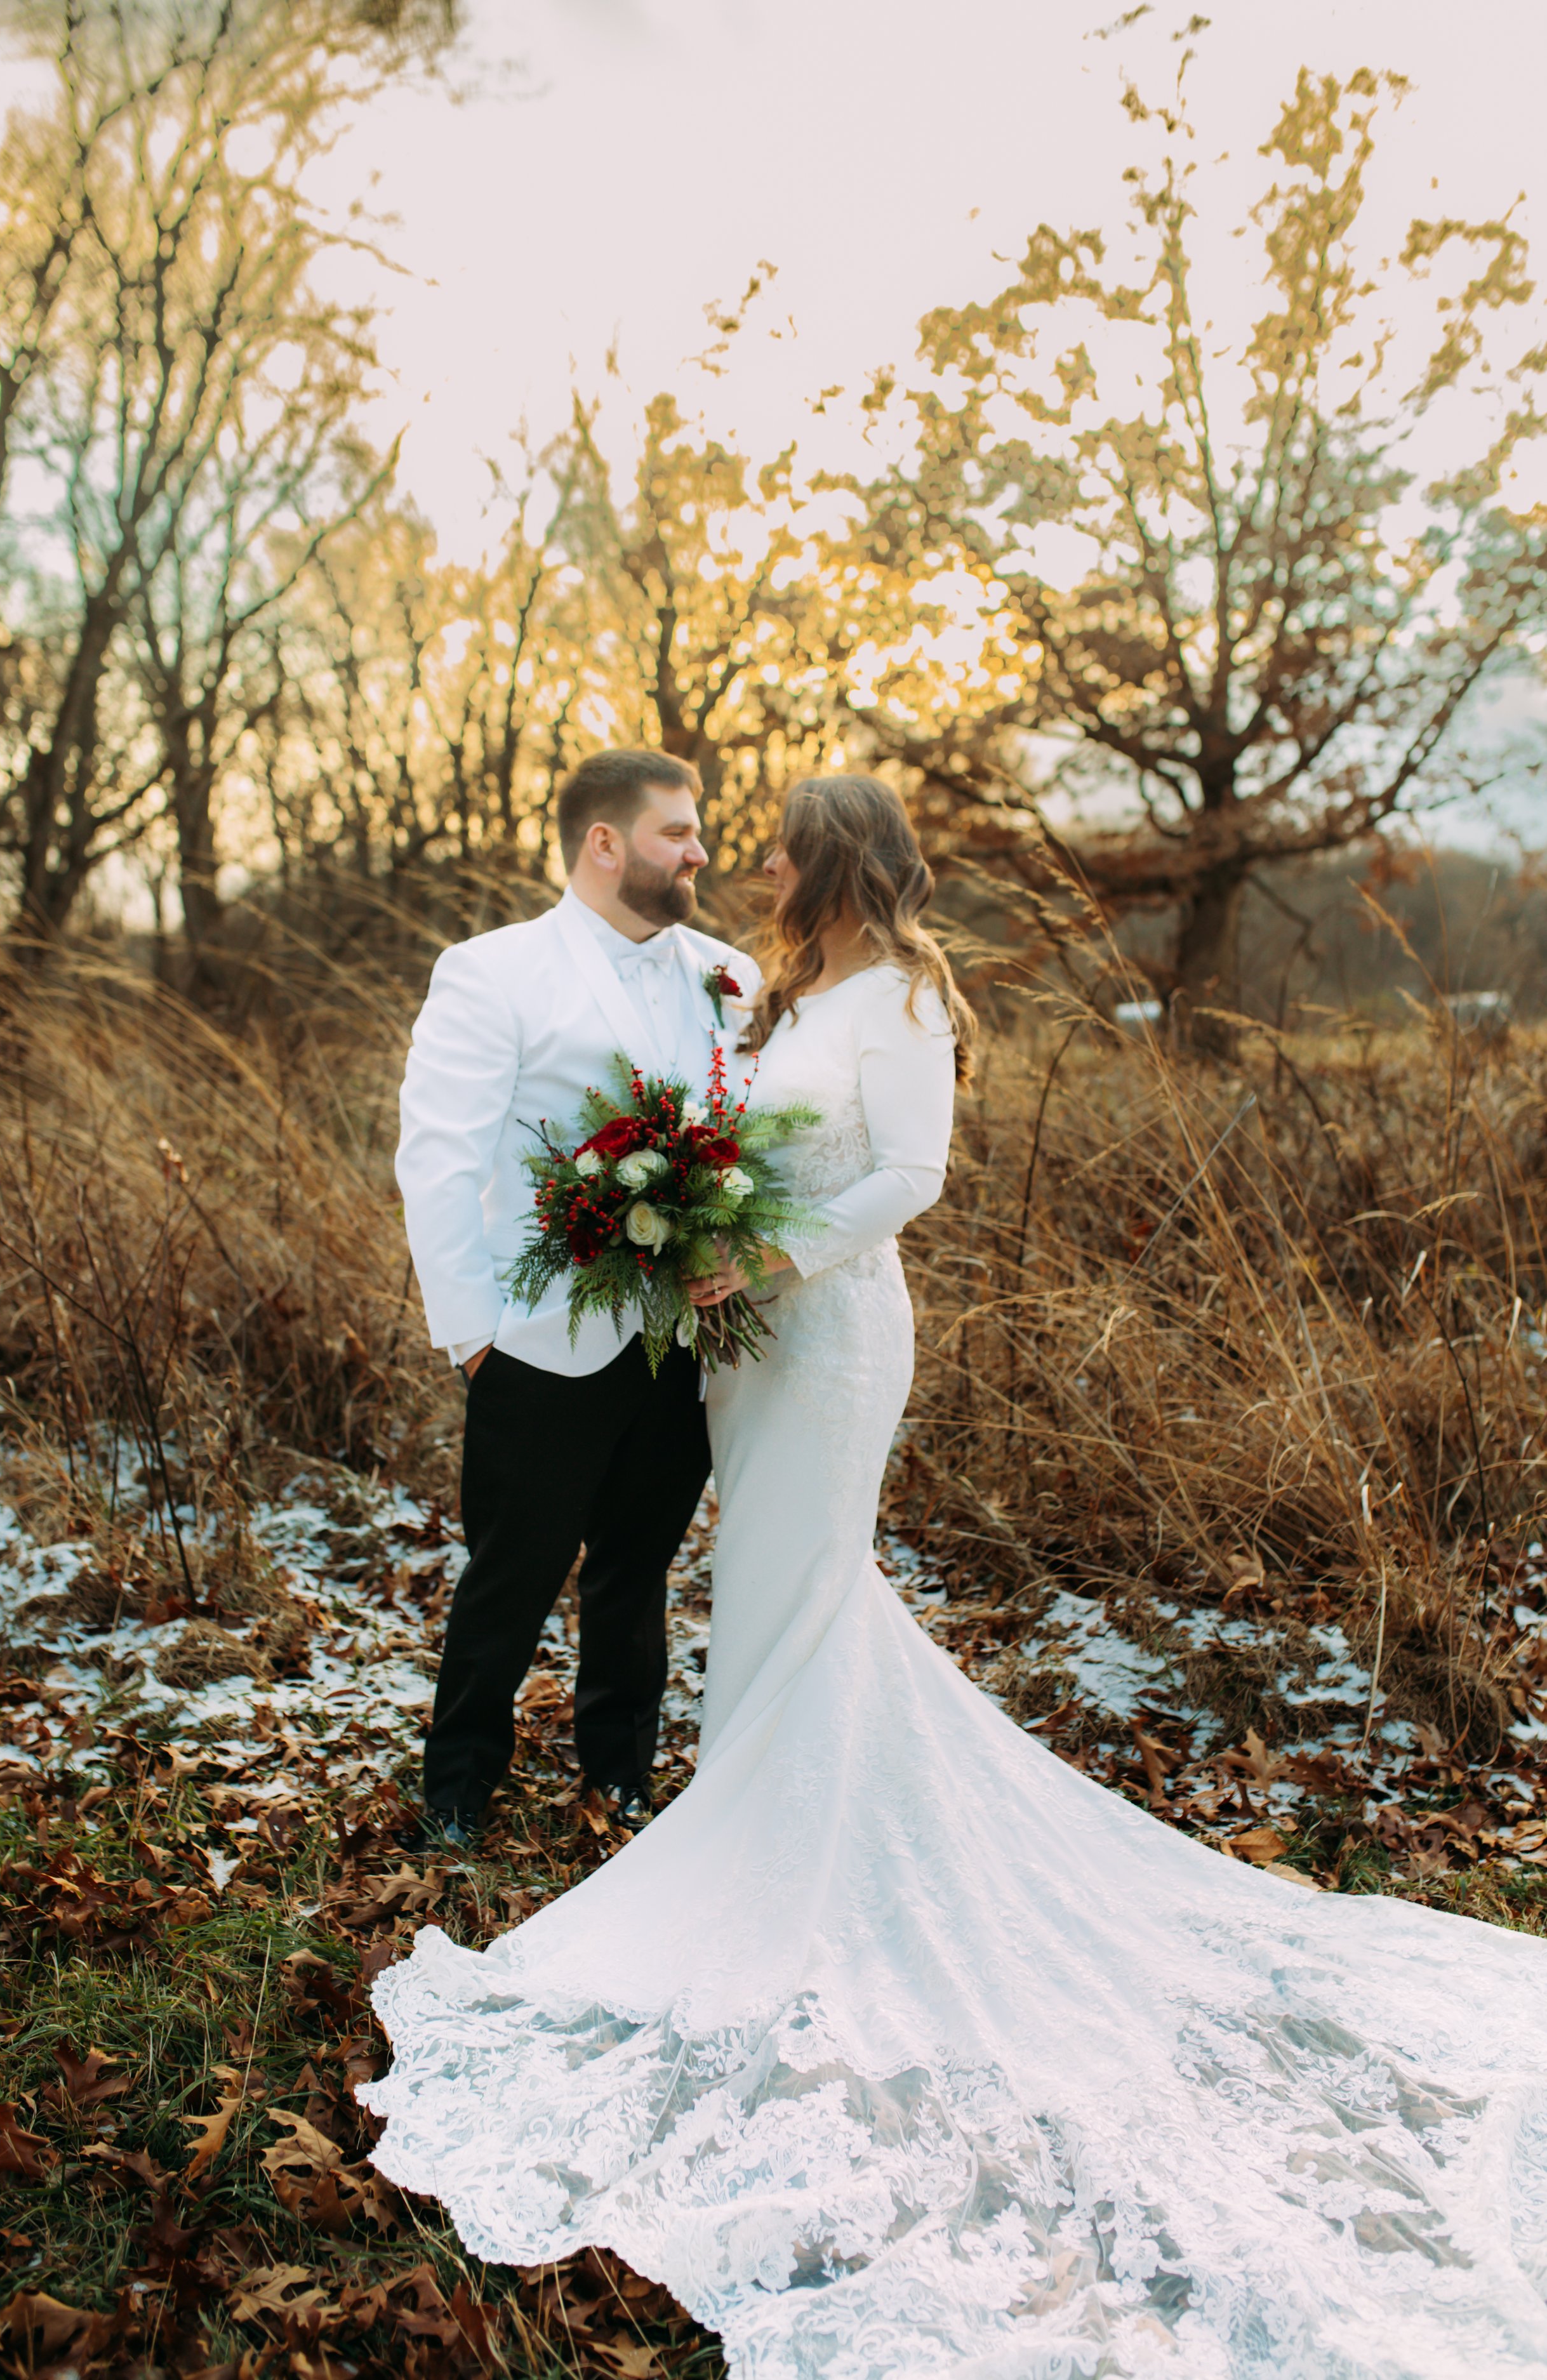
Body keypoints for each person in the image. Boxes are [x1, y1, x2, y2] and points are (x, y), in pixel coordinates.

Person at [368, 778, 1547, 2380]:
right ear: (600, 839)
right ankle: (536, 1794)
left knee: (757, 1591)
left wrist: (750, 1255)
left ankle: (739, 1839)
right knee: (634, 1585)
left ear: (839, 862)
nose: (740, 862)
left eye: (770, 842)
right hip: (673, 1340)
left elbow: (902, 1176)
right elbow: (469, 1145)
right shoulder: (726, 985)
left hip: (808, 1331)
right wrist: (496, 1313)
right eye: (704, 834)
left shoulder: (886, 991)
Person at [393, 748, 757, 1848]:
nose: (698, 852)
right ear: (604, 844)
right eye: (675, 833)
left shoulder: (729, 976)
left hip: (678, 1338)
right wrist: (472, 1337)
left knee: (637, 1572)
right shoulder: (492, 970)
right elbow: (437, 1159)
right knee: (512, 1577)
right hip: (538, 1342)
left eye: (696, 833)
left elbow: (753, 1138)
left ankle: (620, 1779)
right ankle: (457, 1795)